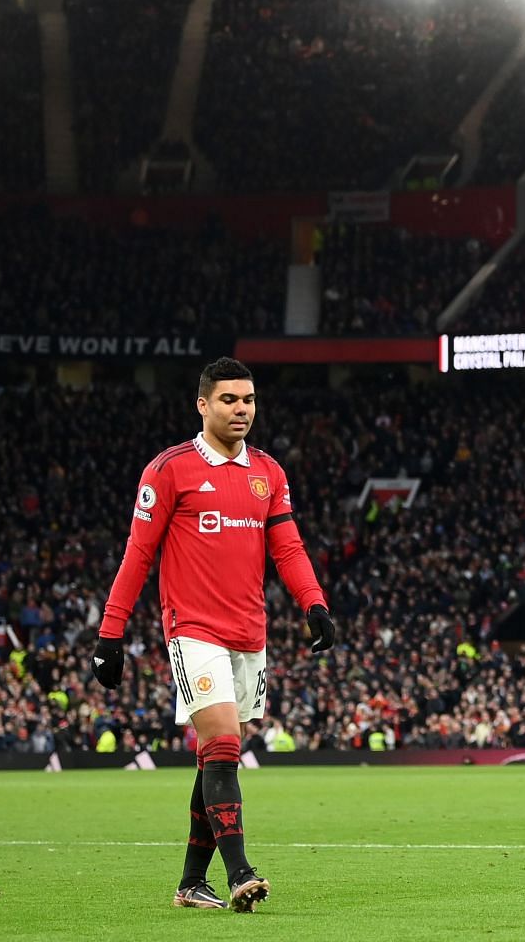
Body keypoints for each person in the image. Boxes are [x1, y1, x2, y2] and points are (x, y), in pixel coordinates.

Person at [92, 357, 335, 913]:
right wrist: (111, 634)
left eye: (248, 399)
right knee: (223, 741)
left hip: (250, 632)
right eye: (229, 400)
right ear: (202, 404)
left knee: (216, 757)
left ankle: (189, 883)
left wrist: (314, 603)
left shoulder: (269, 473)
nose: (241, 409)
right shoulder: (169, 470)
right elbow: (139, 553)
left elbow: (288, 547)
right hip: (193, 629)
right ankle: (240, 873)